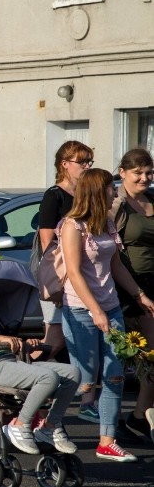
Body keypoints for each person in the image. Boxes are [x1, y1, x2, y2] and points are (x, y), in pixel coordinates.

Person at [60, 168, 154, 462]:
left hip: (110, 307)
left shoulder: (108, 224)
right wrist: (95, 311)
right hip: (80, 310)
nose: (115, 192)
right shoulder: (72, 226)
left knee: (114, 377)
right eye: (111, 188)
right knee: (83, 379)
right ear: (97, 193)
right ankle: (47, 423)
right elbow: (74, 273)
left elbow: (117, 266)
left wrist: (140, 296)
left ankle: (107, 441)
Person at [0, 300, 81, 455]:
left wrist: (24, 345)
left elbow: (4, 344)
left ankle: (50, 425)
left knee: (73, 373)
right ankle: (19, 425)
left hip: (11, 361)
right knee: (48, 378)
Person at [37, 142, 94, 380]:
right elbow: (47, 245)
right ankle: (22, 374)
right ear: (65, 165)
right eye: (82, 162)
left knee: (76, 340)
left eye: (89, 161)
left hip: (84, 276)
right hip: (60, 279)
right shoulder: (54, 196)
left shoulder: (86, 195)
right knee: (56, 339)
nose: (87, 166)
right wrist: (60, 286)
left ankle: (70, 387)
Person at [110, 148, 154, 441]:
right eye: (138, 172)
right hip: (125, 285)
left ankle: (139, 416)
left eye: (149, 172)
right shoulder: (116, 204)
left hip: (152, 284)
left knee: (149, 356)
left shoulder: (152, 201)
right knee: (115, 360)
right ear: (122, 172)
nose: (144, 178)